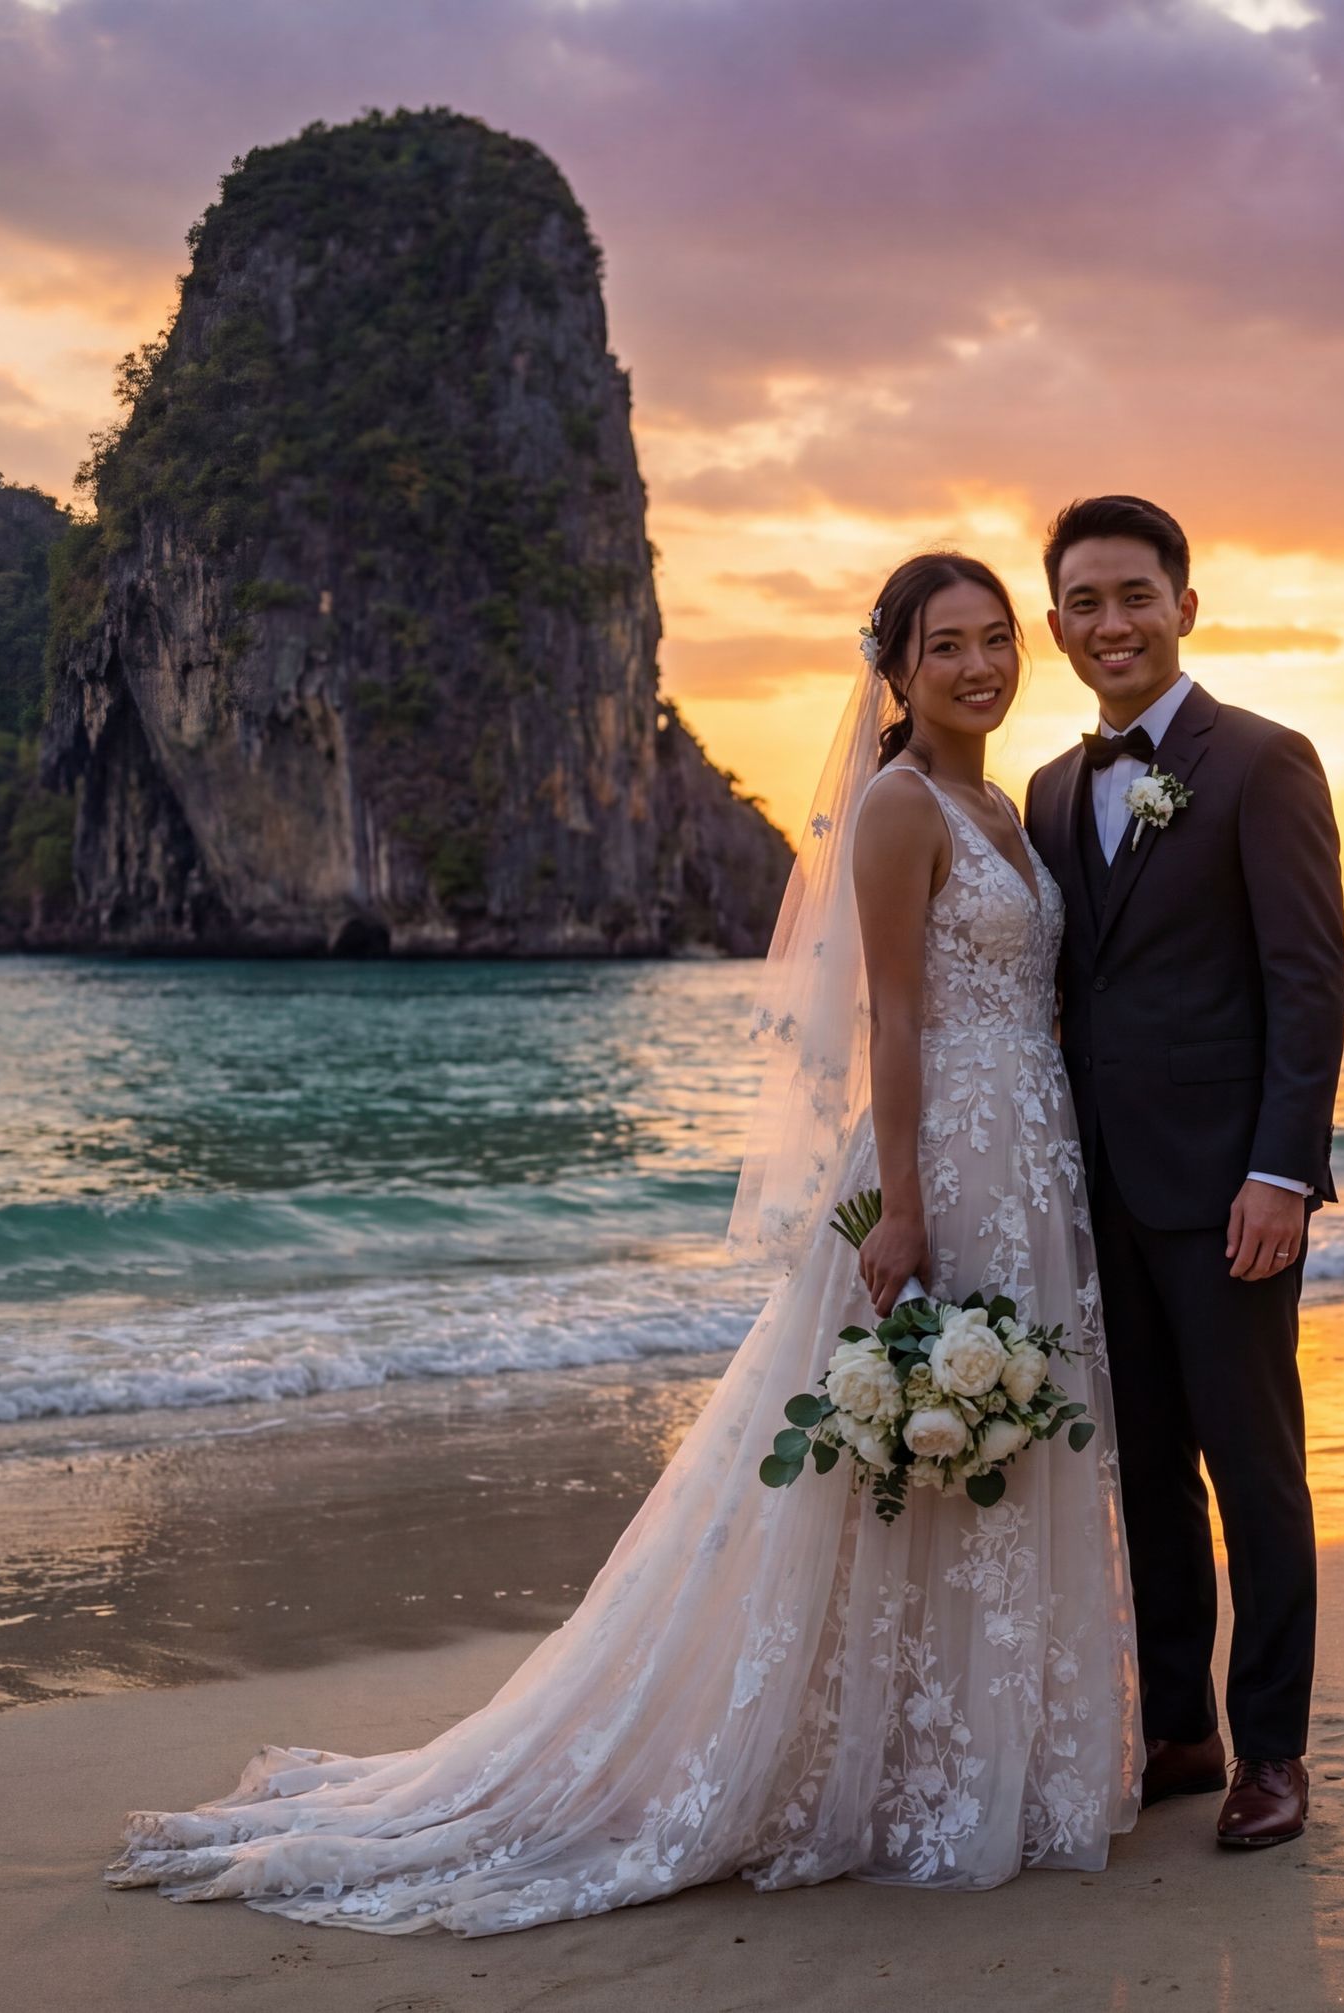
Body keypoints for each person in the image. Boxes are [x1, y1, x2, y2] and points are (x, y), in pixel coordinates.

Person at [106, 553, 1139, 1934]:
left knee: (983, 1455)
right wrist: (902, 1204)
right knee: (901, 1451)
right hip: (943, 1161)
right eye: (942, 644)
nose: (976, 665)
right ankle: (853, 1766)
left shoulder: (1003, 809)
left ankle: (944, 1755)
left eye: (993, 639)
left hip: (1032, 1162)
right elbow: (894, 1020)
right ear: (892, 671)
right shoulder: (900, 809)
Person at [1024, 495, 1344, 1849]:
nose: (1113, 624)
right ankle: (1177, 1728)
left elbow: (1306, 979)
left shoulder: (1264, 762)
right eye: (1086, 603)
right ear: (1057, 626)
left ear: (1185, 607)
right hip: (1094, 1195)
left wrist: (1282, 1169)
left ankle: (1271, 1747)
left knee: (1255, 1469)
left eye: (1135, 596)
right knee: (1144, 1470)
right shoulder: (1046, 788)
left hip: (1228, 1194)